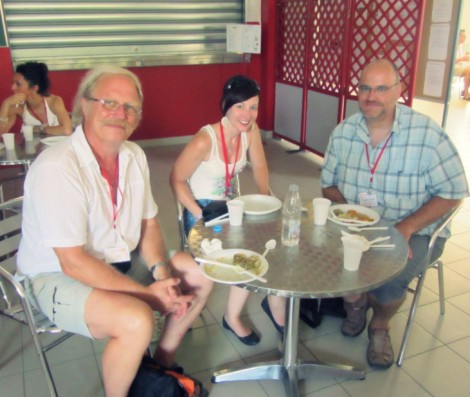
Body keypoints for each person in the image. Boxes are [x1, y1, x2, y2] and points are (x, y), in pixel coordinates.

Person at [17, 66, 213, 397]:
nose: (119, 113)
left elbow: (149, 224)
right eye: (108, 102)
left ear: (137, 117)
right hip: (55, 276)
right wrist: (148, 295)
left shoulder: (134, 156)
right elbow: (73, 262)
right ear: (84, 105)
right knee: (136, 318)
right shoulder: (59, 166)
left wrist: (162, 274)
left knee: (199, 272)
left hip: (117, 259)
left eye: (130, 107)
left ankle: (159, 366)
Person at [321, 59, 469, 369]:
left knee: (391, 274)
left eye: (381, 89)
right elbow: (329, 185)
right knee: (323, 252)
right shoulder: (344, 132)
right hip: (356, 226)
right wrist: (347, 214)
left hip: (416, 230)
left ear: (398, 90)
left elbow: (453, 192)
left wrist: (408, 226)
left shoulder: (427, 134)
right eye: (364, 88)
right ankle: (355, 304)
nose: (371, 96)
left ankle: (380, 325)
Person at [170, 75, 286, 345]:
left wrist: (265, 199)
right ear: (226, 106)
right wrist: (198, 213)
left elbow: (260, 166)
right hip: (202, 209)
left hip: (232, 206)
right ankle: (198, 307)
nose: (247, 115)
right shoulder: (205, 140)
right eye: (240, 106)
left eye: (253, 107)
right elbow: (175, 179)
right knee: (235, 256)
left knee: (263, 245)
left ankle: (234, 316)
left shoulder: (250, 131)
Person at [0, 61, 72, 136]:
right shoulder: (17, 107)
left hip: (59, 143)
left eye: (18, 84)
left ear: (34, 88)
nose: (12, 87)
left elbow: (67, 130)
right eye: (13, 83)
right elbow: (1, 133)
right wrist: (5, 105)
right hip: (32, 144)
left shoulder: (54, 102)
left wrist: (36, 129)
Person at [453, 29, 470, 99]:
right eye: (463, 36)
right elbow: (451, 61)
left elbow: (460, 58)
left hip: (459, 66)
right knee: (469, 71)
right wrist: (462, 59)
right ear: (458, 36)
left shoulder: (460, 46)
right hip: (453, 67)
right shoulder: (453, 46)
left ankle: (464, 90)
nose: (465, 38)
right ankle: (466, 93)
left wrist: (465, 57)